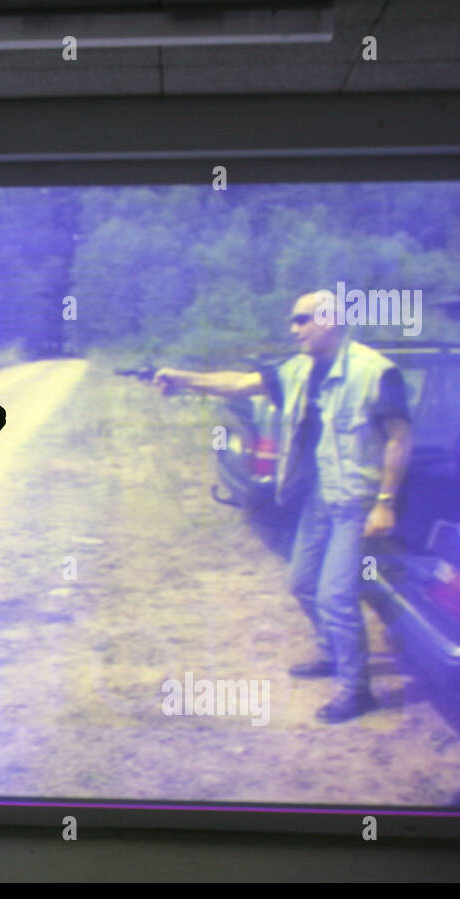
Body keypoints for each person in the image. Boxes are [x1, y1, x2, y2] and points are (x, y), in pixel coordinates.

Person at [151, 291, 413, 723]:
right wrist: (180, 379)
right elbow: (239, 383)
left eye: (301, 320)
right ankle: (332, 653)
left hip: (354, 502)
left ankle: (356, 688)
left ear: (330, 319)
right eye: (293, 321)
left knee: (335, 597)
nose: (294, 329)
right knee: (301, 582)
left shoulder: (375, 372)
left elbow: (400, 438)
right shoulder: (299, 369)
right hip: (317, 499)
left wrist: (385, 503)